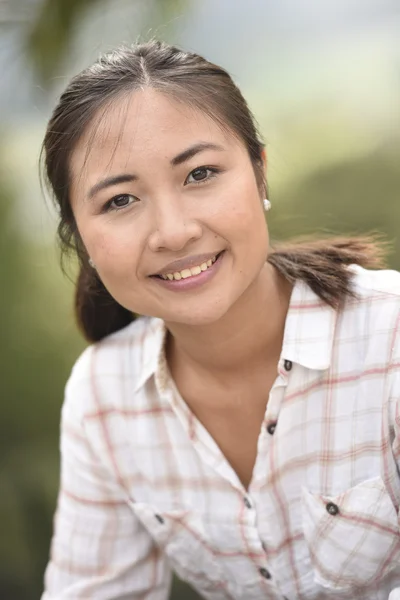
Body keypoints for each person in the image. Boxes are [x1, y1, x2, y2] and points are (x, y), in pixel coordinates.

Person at [40, 40, 400, 600]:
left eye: (200, 173)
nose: (174, 231)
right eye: (119, 202)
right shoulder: (103, 396)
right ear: (82, 241)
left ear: (260, 173)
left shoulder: (390, 338)